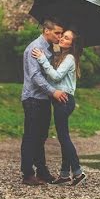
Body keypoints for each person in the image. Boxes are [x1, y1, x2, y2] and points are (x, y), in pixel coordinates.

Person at [32, 29, 86, 186]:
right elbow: (54, 79)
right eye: (63, 36)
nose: (62, 38)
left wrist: (42, 58)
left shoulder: (69, 58)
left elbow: (55, 76)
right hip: (61, 100)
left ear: (72, 44)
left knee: (64, 138)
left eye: (67, 38)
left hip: (64, 100)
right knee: (64, 137)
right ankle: (64, 174)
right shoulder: (62, 57)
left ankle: (77, 172)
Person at [20, 19, 68, 186]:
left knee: (41, 137)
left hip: (43, 99)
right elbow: (35, 77)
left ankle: (42, 172)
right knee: (31, 136)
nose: (59, 36)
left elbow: (50, 73)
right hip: (32, 98)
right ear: (46, 30)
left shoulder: (49, 49)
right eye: (57, 33)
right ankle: (27, 174)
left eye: (62, 34)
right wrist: (54, 92)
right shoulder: (34, 48)